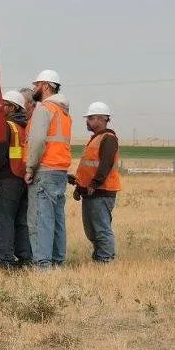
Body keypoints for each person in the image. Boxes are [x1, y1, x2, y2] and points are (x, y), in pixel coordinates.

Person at [24, 70, 72, 269]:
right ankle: (57, 262)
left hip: (44, 170)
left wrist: (30, 167)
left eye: (37, 85)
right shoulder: (63, 111)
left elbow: (37, 141)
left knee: (40, 219)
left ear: (45, 86)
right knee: (57, 219)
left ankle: (42, 265)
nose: (34, 88)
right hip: (60, 171)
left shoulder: (44, 109)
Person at [70, 102, 121, 263]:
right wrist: (79, 187)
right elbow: (88, 168)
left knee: (101, 229)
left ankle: (105, 259)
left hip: (101, 191)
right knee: (91, 230)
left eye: (91, 118)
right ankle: (99, 257)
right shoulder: (95, 139)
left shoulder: (108, 139)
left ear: (102, 119)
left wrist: (94, 184)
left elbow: (105, 165)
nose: (87, 121)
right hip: (91, 192)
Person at [0, 90, 32, 269]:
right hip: (24, 178)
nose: (0, 107)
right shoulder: (25, 126)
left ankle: (6, 260)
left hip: (7, 178)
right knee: (21, 221)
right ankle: (25, 257)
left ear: (13, 107)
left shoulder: (6, 126)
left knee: (3, 219)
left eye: (4, 104)